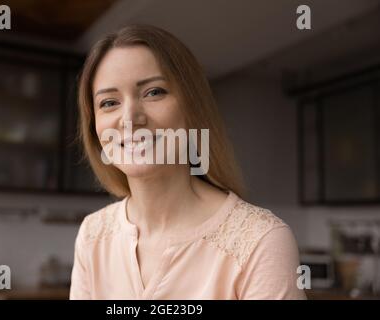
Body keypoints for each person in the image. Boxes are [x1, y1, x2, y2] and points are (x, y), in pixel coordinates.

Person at [70, 24, 306, 300]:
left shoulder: (262, 241)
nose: (130, 118)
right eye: (109, 102)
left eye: (154, 92)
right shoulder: (92, 235)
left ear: (192, 106)